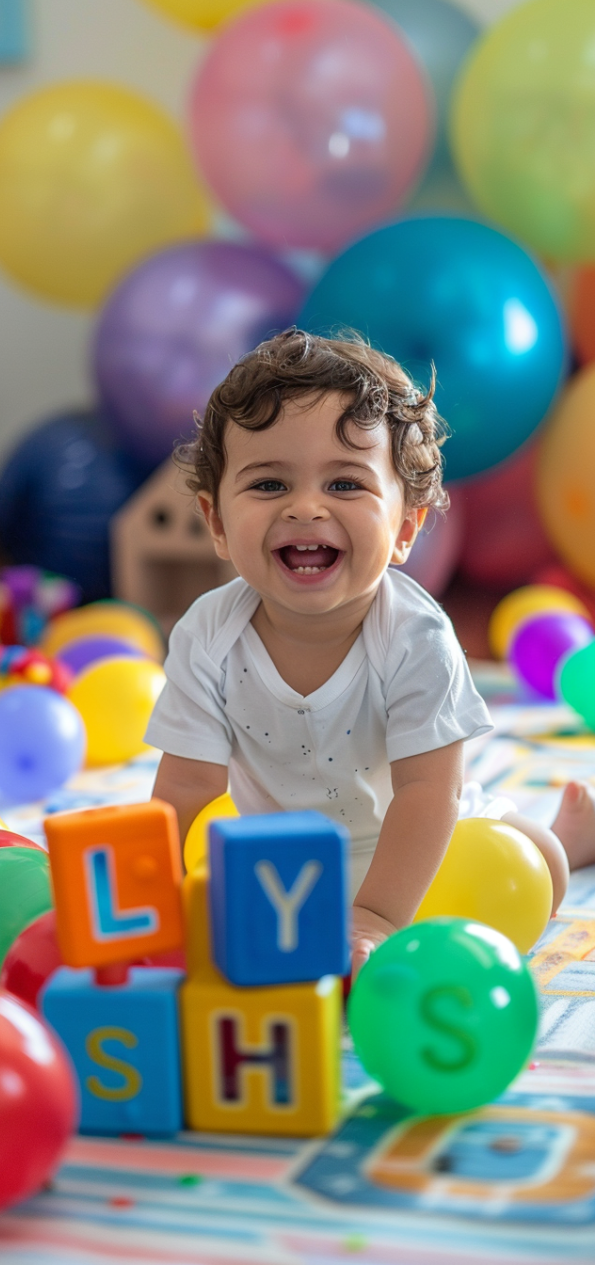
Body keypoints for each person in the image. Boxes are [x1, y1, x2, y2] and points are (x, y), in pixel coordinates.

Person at [147, 328, 591, 975]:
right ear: (216, 522)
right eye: (269, 485)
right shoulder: (207, 635)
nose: (306, 508)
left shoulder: (415, 636)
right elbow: (186, 788)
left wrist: (378, 917)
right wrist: (155, 908)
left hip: (421, 844)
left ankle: (568, 840)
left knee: (534, 868)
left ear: (406, 527)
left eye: (345, 485)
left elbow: (428, 793)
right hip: (284, 868)